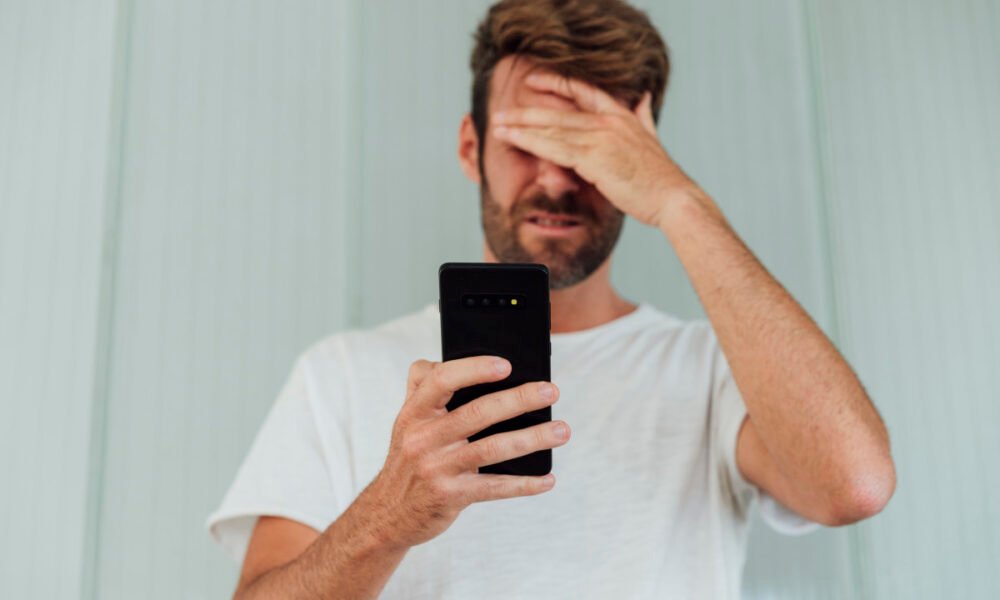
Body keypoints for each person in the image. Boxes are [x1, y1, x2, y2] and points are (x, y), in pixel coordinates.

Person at [207, 1, 896, 597]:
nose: (559, 178)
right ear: (471, 148)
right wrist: (389, 517)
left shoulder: (715, 371)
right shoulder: (339, 375)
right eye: (526, 141)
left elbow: (856, 484)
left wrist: (679, 201)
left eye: (592, 147)